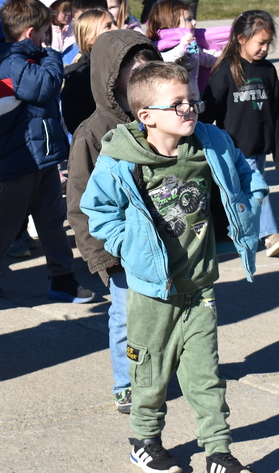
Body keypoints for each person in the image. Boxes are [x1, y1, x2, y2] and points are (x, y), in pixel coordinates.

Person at [81, 61, 267, 473]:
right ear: (146, 117)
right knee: (149, 373)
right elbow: (97, 210)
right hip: (151, 291)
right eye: (178, 104)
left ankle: (218, 451)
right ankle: (144, 440)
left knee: (206, 375)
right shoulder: (121, 159)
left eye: (192, 100)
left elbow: (246, 175)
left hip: (200, 286)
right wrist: (129, 247)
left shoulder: (211, 143)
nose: (190, 110)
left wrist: (248, 207)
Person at [0, 0, 94, 302]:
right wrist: (53, 56)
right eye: (44, 33)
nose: (46, 39)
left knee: (51, 218)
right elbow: (46, 85)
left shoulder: (20, 59)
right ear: (30, 32)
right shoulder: (12, 61)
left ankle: (62, 277)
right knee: (8, 218)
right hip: (22, 155)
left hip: (41, 154)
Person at [66, 30, 160, 416]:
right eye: (128, 65)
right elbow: (80, 203)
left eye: (145, 61)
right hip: (119, 248)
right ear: (109, 74)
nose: (139, 70)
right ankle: (125, 382)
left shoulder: (157, 117)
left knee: (160, 315)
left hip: (161, 239)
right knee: (125, 317)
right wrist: (100, 256)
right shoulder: (92, 134)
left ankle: (155, 374)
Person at [202, 10, 279, 256]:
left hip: (260, 146)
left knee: (245, 191)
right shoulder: (226, 70)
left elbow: (278, 113)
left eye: (267, 43)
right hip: (236, 147)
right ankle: (270, 234)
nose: (264, 48)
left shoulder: (268, 71)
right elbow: (210, 106)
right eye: (260, 42)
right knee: (255, 187)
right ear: (241, 38)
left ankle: (236, 231)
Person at [146, 0, 220, 99]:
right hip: (169, 105)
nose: (194, 22)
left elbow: (208, 59)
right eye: (188, 19)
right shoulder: (158, 47)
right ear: (170, 23)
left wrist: (228, 53)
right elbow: (162, 62)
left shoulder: (192, 46)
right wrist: (181, 48)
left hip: (192, 102)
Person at [61, 8, 118, 135]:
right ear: (90, 39)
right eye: (108, 26)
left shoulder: (123, 64)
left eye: (114, 23)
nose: (116, 28)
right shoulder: (81, 76)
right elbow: (76, 122)